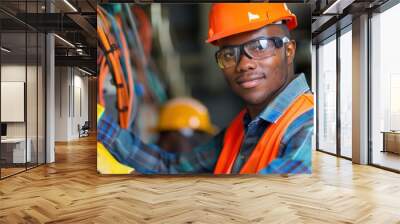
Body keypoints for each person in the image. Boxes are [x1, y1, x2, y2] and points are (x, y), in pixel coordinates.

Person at [97, 3, 314, 174]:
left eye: (260, 47)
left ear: (289, 50)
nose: (243, 64)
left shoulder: (309, 125)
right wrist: (98, 122)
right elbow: (169, 166)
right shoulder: (241, 130)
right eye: (229, 54)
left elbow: (266, 200)